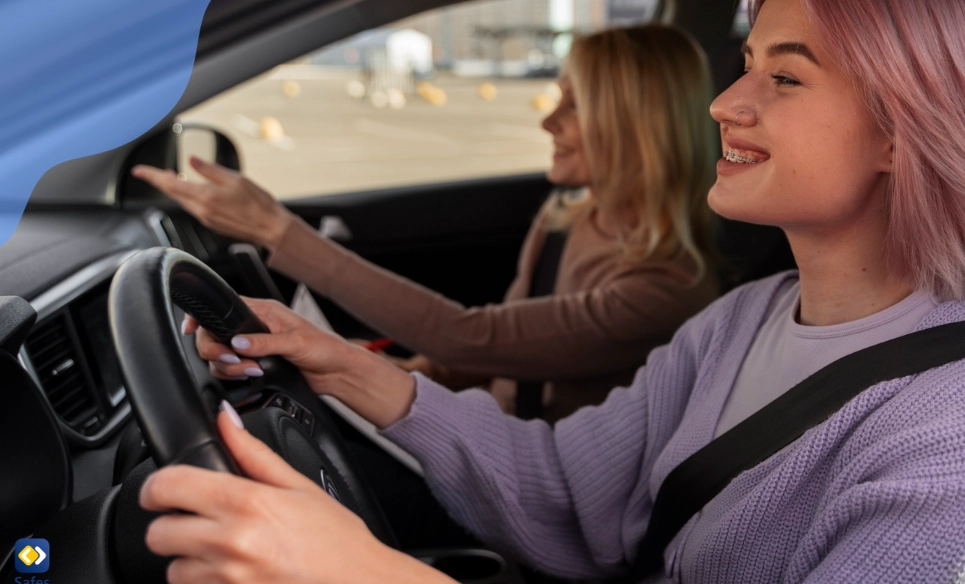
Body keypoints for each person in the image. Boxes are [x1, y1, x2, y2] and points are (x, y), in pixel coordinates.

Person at [139, 0, 965, 584]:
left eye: (785, 76)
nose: (724, 104)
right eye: (745, 64)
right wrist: (350, 373)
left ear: (909, 134)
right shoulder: (745, 319)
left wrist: (374, 582)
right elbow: (567, 490)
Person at [132, 24, 721, 422]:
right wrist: (418, 371)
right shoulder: (567, 215)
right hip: (483, 430)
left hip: (530, 476)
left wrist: (276, 230)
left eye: (575, 106)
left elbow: (472, 335)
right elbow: (496, 354)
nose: (549, 124)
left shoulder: (663, 292)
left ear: (635, 129)